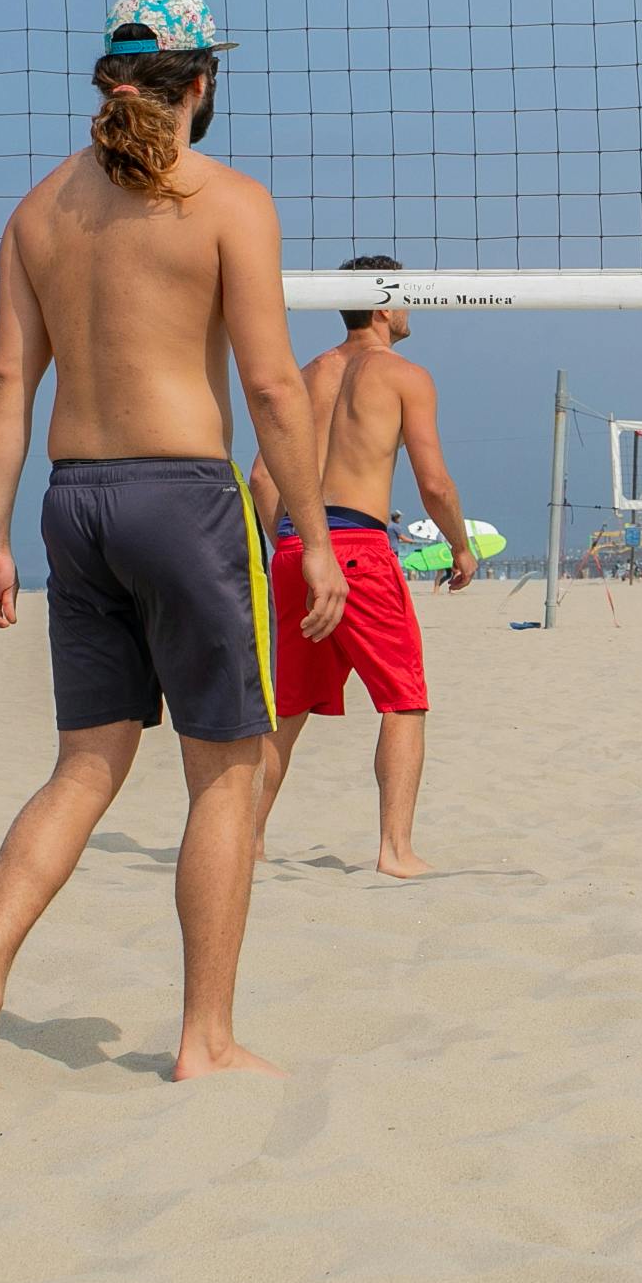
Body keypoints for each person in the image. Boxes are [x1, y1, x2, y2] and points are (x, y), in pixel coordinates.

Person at [0, 0, 347, 1088]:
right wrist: (316, 531)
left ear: (105, 82)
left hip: (74, 501)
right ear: (202, 84)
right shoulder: (226, 200)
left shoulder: (36, 212)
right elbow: (270, 383)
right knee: (228, 772)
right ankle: (204, 1038)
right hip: (181, 497)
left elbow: (6, 381)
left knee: (82, 768)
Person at [248, 253, 475, 880]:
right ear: (382, 303)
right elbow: (433, 482)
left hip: (298, 551)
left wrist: (295, 547)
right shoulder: (405, 375)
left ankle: (250, 842)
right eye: (403, 295)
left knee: (287, 709)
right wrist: (460, 544)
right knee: (404, 700)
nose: (410, 307)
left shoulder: (304, 375)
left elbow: (263, 477)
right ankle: (395, 850)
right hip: (359, 551)